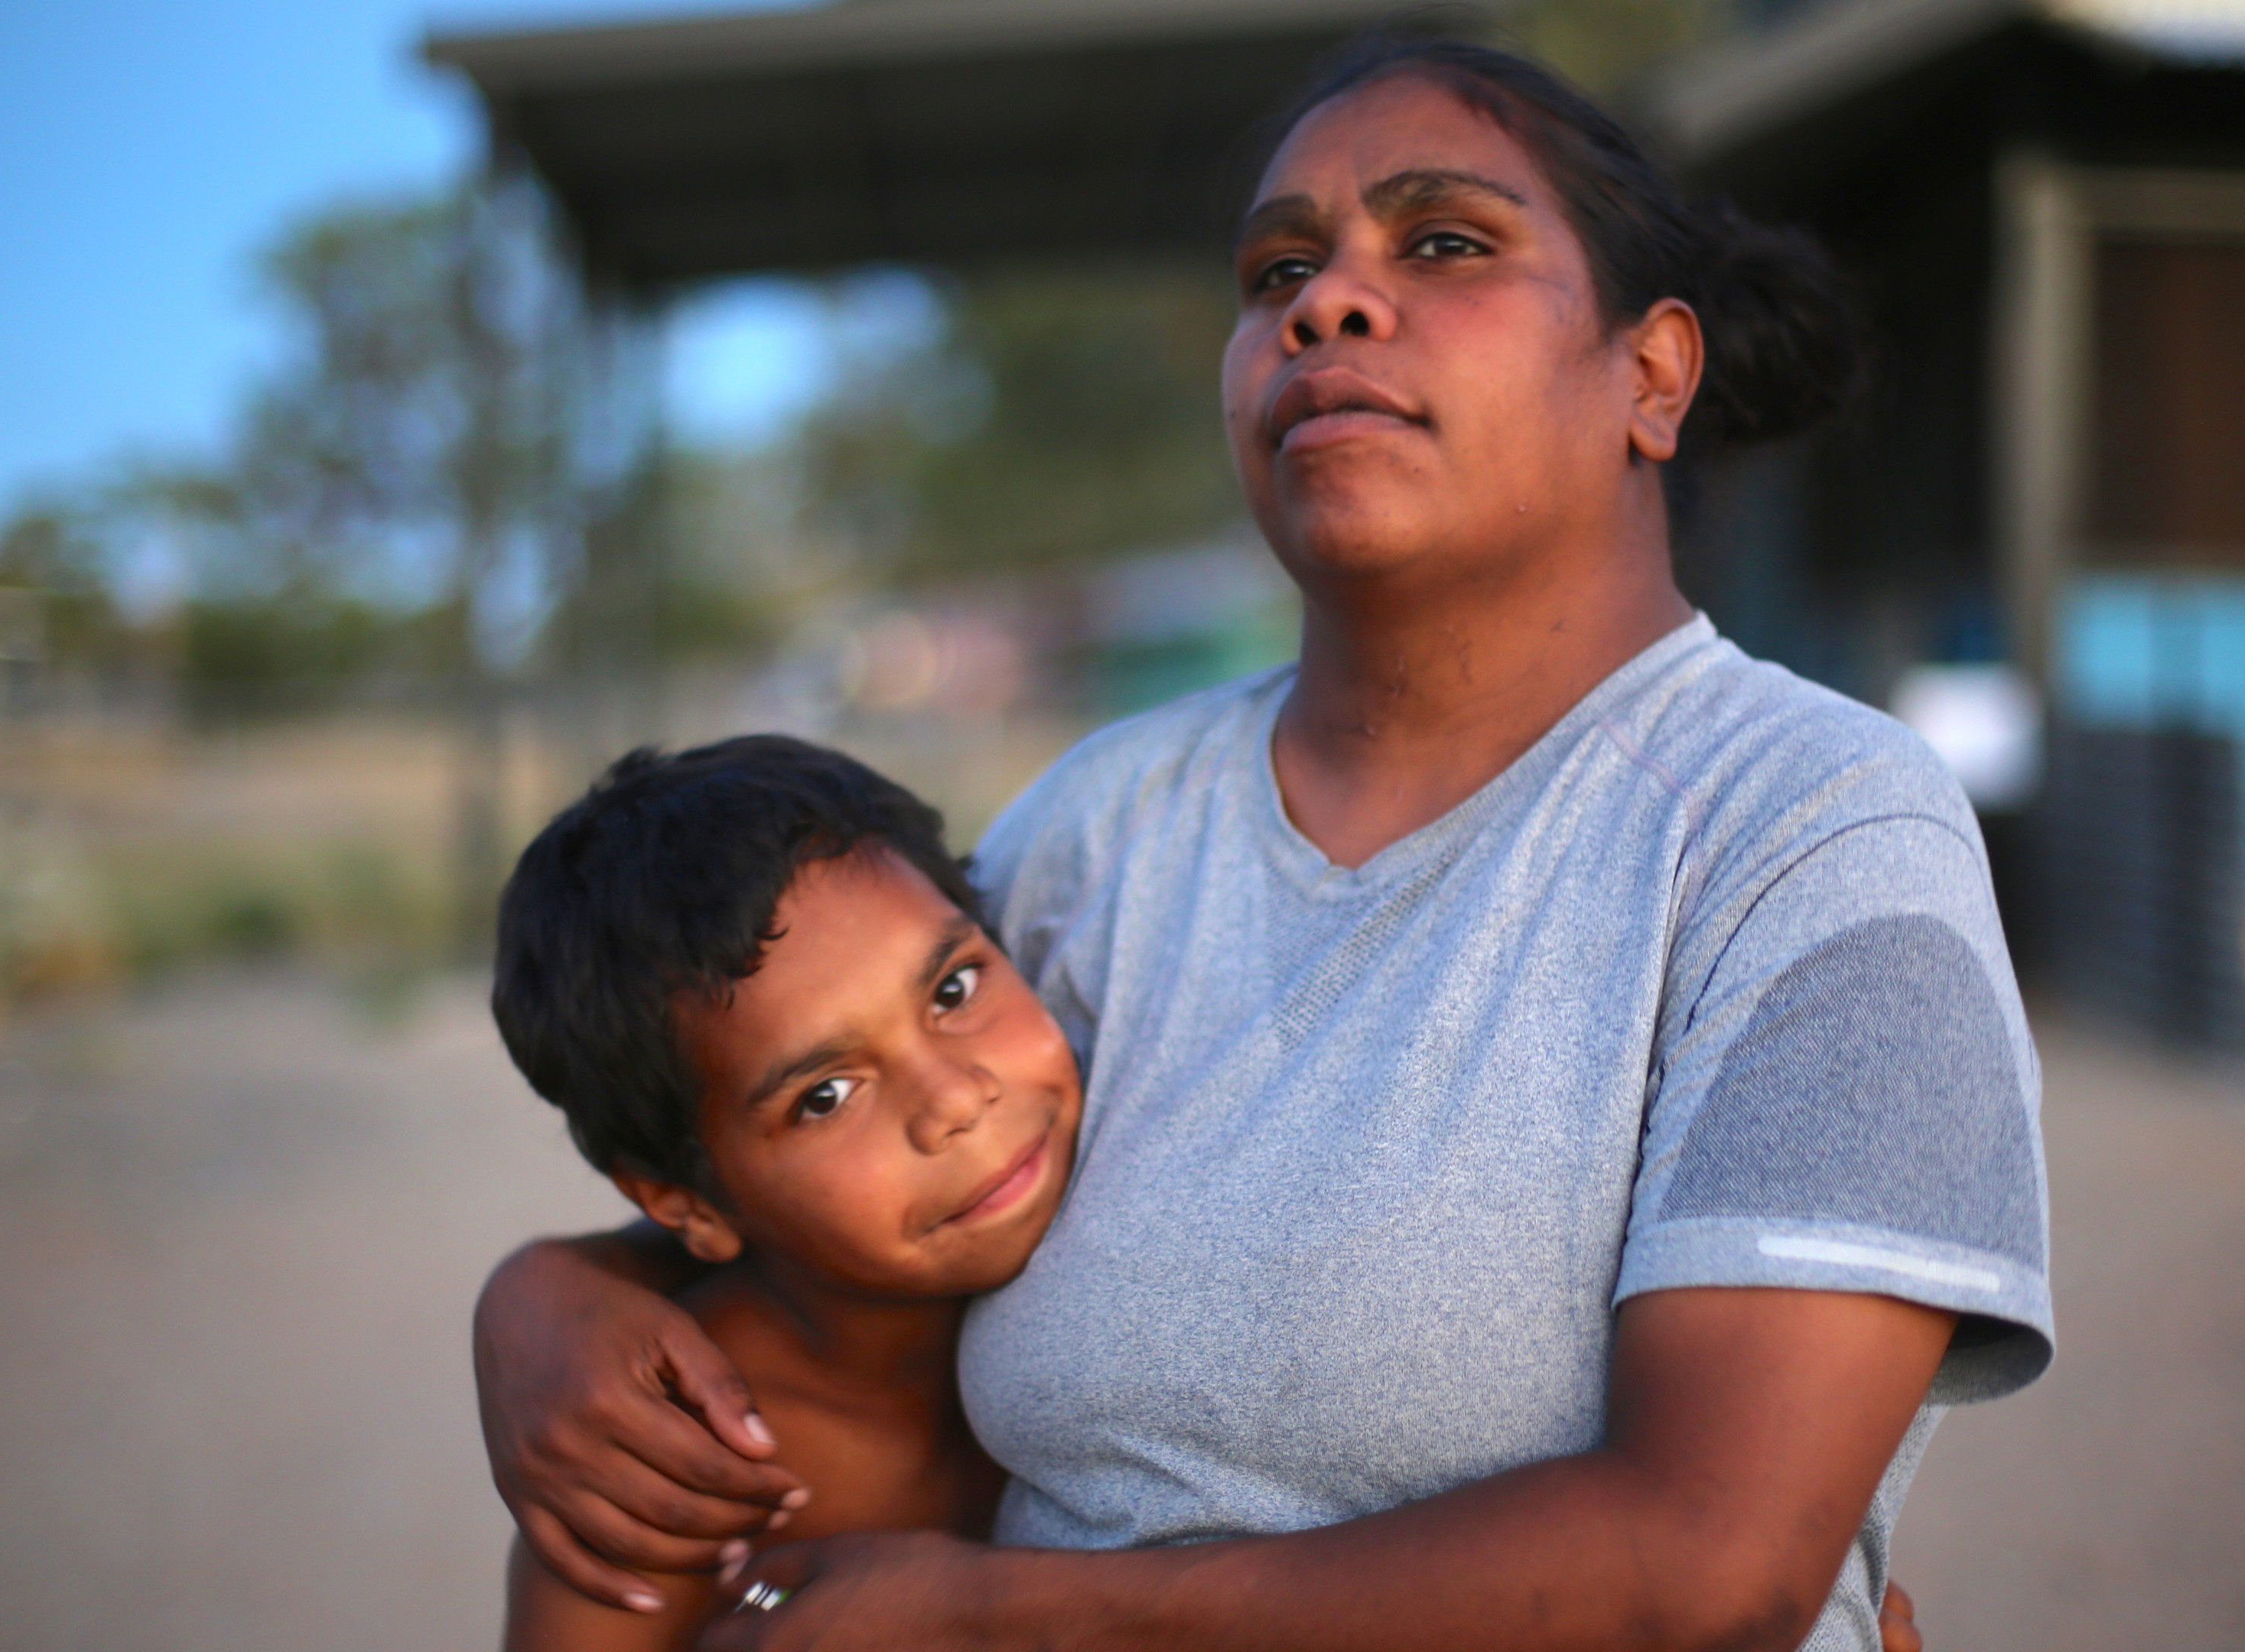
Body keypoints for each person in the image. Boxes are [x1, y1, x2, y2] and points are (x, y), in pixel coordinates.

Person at [474, 34, 2051, 1652]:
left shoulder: (1806, 829)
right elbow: (834, 1138)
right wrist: (555, 1296)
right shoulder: (1106, 829)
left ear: (1651, 375)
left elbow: (1706, 1568)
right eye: (1278, 270)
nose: (1324, 302)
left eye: (1442, 242)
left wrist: (999, 1618)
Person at [488, 736, 1085, 1650]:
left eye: (954, 988)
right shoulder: (673, 1464)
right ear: (688, 1207)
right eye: (825, 1097)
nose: (956, 1102)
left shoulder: (1136, 1156)